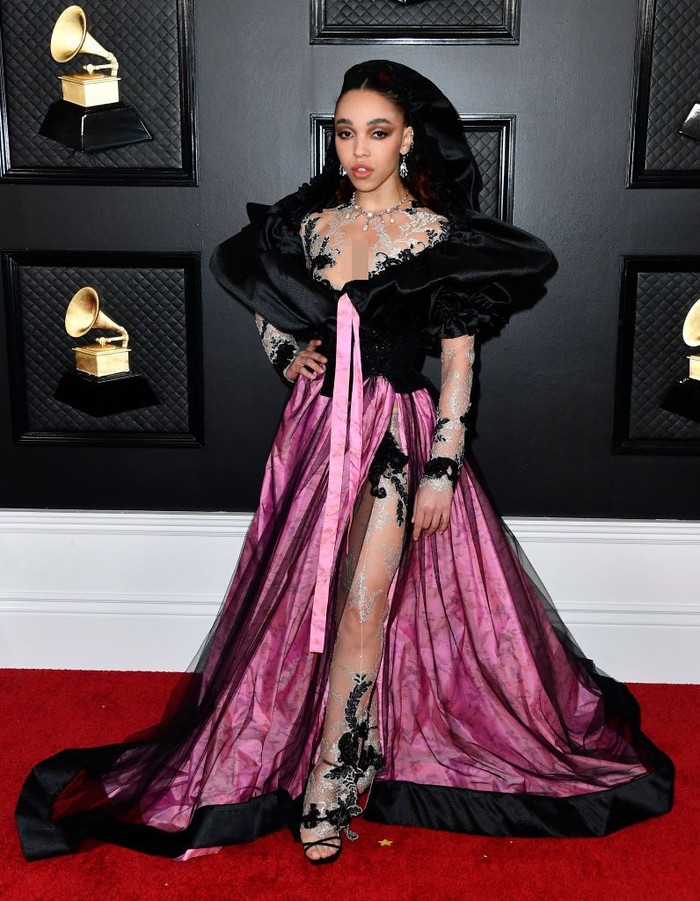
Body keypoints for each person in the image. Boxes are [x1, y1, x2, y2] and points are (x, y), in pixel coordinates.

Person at [15, 60, 673, 867]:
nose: (358, 149)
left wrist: (441, 467)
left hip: (396, 436)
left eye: (377, 132)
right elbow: (265, 298)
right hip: (317, 433)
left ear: (407, 140)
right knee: (308, 603)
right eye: (345, 130)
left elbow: (460, 367)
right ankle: (324, 745)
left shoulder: (437, 237)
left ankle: (340, 768)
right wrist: (289, 352)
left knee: (364, 605)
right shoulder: (313, 225)